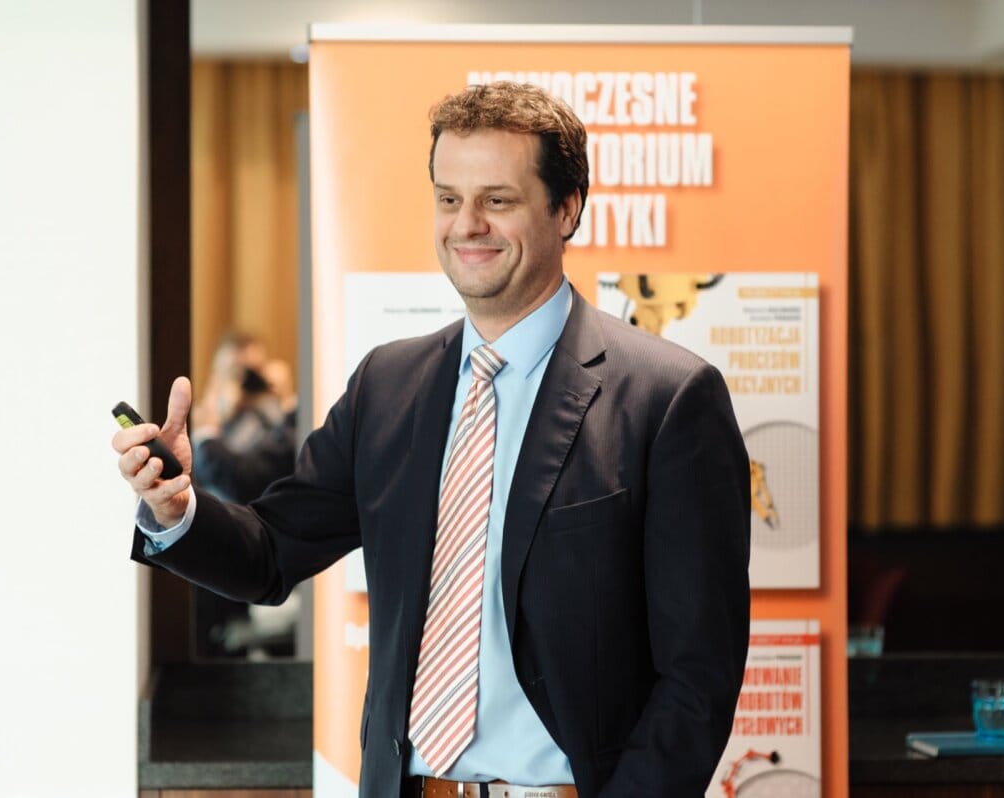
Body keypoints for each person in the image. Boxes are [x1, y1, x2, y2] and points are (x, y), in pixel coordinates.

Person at [114, 81, 750, 797]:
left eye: (497, 200)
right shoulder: (390, 384)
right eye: (448, 198)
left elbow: (699, 675)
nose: (466, 224)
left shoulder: (668, 399)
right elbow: (269, 553)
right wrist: (178, 509)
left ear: (567, 209)